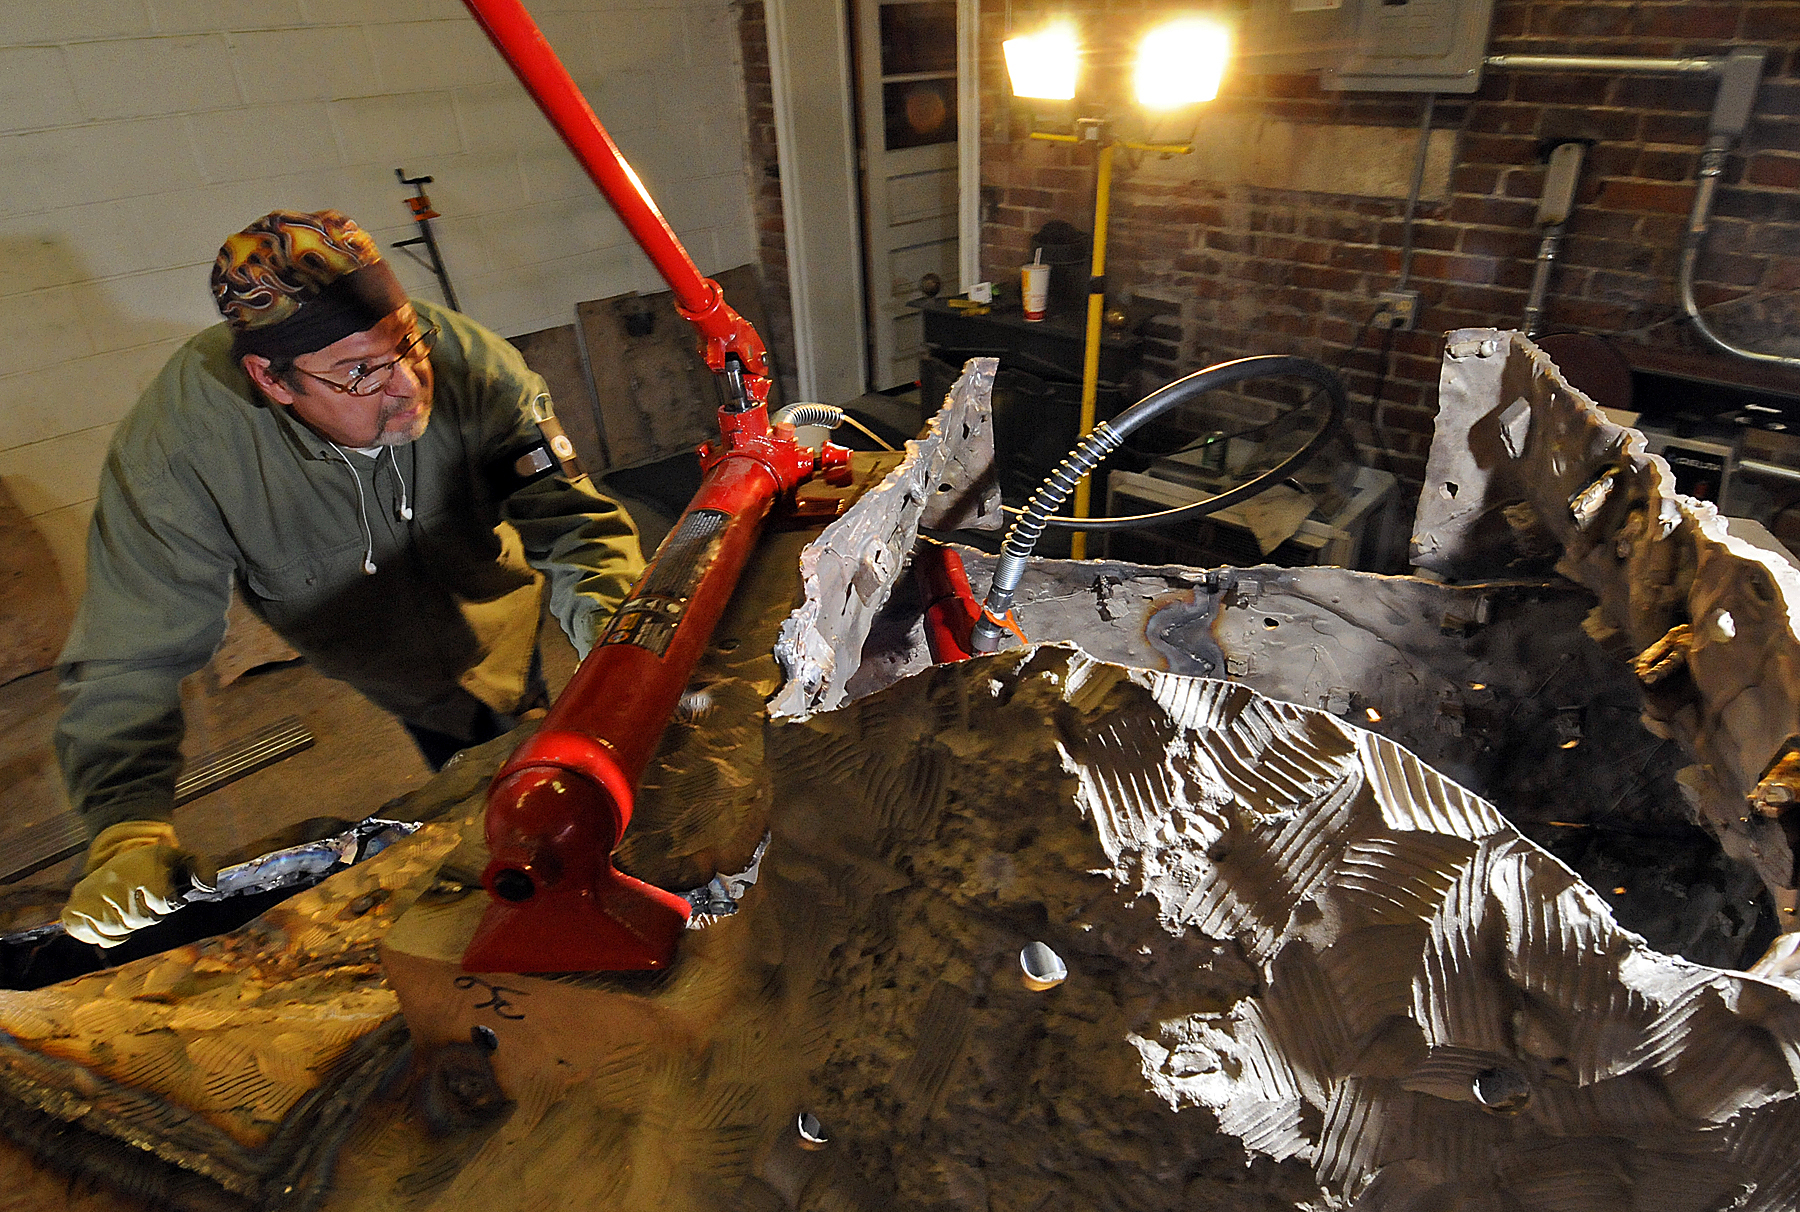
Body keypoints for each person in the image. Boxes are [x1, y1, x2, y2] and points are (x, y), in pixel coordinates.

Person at [54, 209, 646, 947]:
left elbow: (577, 526)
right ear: (271, 379)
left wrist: (625, 650)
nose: (409, 386)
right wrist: (126, 829)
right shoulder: (180, 452)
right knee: (470, 790)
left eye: (407, 343)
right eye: (361, 373)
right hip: (379, 658)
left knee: (543, 770)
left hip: (496, 621)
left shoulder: (471, 363)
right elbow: (128, 654)